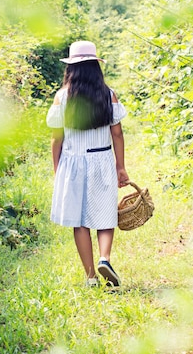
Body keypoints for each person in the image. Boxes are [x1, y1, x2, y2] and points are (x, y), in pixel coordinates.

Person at [46, 40, 130, 287]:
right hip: (102, 158)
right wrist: (120, 166)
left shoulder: (62, 97)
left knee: (79, 220)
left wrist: (57, 168)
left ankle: (91, 277)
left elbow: (56, 137)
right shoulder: (108, 94)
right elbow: (117, 134)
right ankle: (105, 258)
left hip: (72, 161)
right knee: (105, 214)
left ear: (70, 69)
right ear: (96, 67)